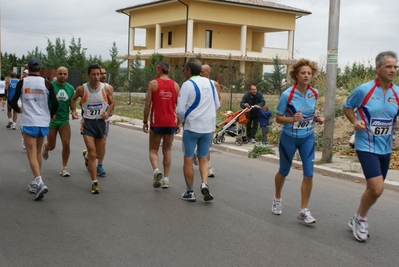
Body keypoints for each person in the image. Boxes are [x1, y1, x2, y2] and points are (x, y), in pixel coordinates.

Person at [343, 51, 399, 242]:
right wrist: (354, 121)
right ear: (378, 68)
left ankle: (357, 217)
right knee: (376, 188)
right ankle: (361, 219)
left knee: (376, 189)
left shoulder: (397, 93)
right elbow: (347, 106)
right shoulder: (364, 90)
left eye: (395, 67)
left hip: (386, 148)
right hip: (365, 144)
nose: (393, 70)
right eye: (389, 66)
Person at [271, 58, 324, 224]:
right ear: (296, 75)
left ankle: (304, 210)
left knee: (309, 174)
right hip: (289, 138)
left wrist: (317, 118)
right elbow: (278, 118)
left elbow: (309, 114)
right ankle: (277, 198)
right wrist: (292, 119)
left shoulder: (314, 93)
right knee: (284, 171)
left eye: (309, 73)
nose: (307, 76)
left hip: (307, 137)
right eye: (303, 73)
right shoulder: (288, 95)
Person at [10, 58, 59, 200]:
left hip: (29, 121)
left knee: (31, 154)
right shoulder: (47, 83)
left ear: (28, 68)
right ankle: (35, 181)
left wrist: (18, 109)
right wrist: (50, 114)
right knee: (37, 152)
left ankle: (39, 182)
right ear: (40, 68)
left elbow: (12, 100)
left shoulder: (22, 82)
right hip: (43, 122)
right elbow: (55, 103)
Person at [176, 58, 220, 202]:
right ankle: (204, 183)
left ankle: (190, 192)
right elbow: (217, 104)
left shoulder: (187, 84)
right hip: (208, 127)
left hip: (192, 126)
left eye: (184, 69)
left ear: (189, 70)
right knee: (203, 157)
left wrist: (183, 120)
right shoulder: (211, 83)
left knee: (188, 159)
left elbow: (180, 109)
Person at [71, 63, 114, 194]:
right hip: (88, 123)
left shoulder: (106, 89)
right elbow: (72, 100)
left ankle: (87, 157)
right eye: (94, 74)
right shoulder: (81, 89)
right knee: (93, 152)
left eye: (98, 74)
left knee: (98, 154)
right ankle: (94, 182)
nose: (96, 77)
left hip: (101, 123)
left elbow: (112, 102)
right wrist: (73, 111)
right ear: (88, 75)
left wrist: (108, 111)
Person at [142, 62, 180, 188]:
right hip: (170, 122)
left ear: (159, 69)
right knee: (167, 150)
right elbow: (178, 106)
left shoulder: (153, 83)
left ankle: (156, 170)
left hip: (157, 121)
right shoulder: (175, 85)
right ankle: (166, 178)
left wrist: (144, 121)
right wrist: (178, 123)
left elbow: (148, 104)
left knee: (153, 149)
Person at [42, 66, 75, 177]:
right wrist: (49, 113)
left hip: (64, 120)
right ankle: (46, 147)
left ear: (67, 75)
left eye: (64, 74)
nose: (62, 76)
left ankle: (64, 168)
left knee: (66, 143)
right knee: (52, 146)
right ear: (56, 74)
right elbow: (44, 102)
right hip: (51, 120)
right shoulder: (50, 86)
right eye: (60, 73)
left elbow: (72, 101)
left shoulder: (70, 88)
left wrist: (74, 111)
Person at [82, 66, 115, 177]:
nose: (103, 75)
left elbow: (112, 103)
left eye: (104, 73)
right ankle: (93, 160)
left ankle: (98, 164)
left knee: (102, 144)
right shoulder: (86, 88)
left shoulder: (108, 87)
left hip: (104, 121)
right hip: (91, 121)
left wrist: (109, 112)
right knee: (94, 150)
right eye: (101, 73)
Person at [193, 64, 222, 178]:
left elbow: (219, 99)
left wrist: (215, 107)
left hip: (209, 118)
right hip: (196, 117)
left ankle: (208, 166)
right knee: (195, 139)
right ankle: (195, 153)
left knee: (207, 144)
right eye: (199, 71)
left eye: (202, 71)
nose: (200, 73)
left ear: (208, 73)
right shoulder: (195, 83)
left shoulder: (214, 84)